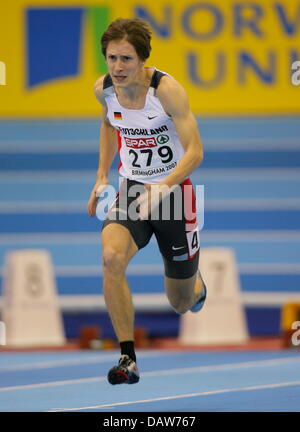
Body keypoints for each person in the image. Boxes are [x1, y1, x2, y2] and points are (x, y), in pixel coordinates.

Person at [87, 17, 207, 385]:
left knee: (181, 302)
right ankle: (128, 356)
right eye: (111, 58)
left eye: (126, 59)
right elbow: (110, 123)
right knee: (110, 258)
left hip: (173, 195)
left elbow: (196, 153)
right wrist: (102, 177)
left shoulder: (167, 91)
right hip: (133, 189)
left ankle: (197, 284)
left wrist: (164, 185)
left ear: (143, 60)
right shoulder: (104, 90)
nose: (117, 67)